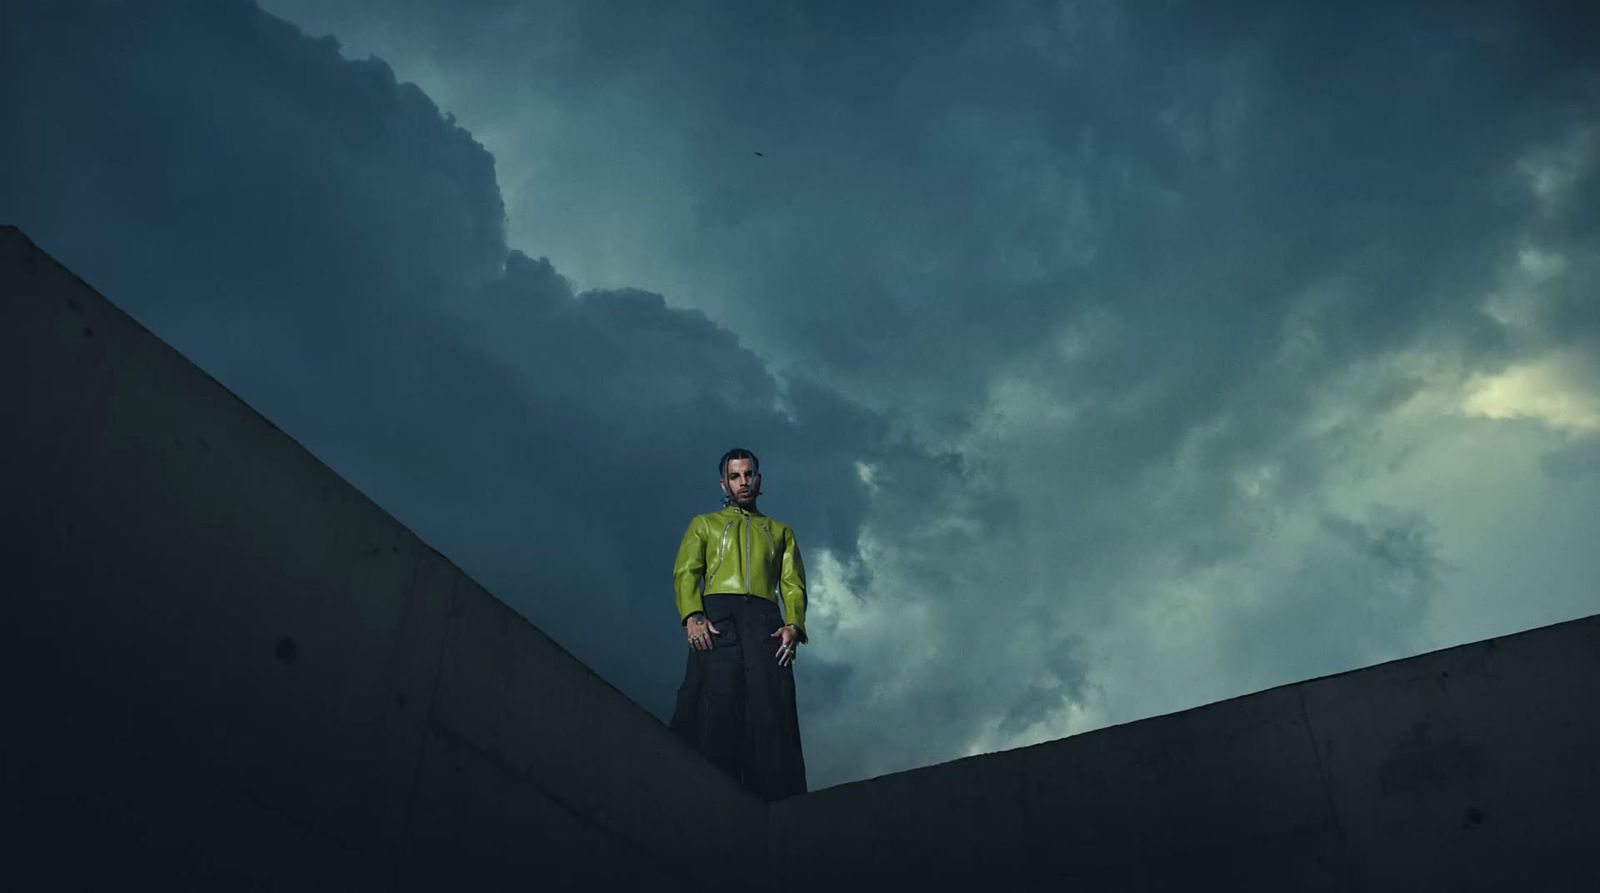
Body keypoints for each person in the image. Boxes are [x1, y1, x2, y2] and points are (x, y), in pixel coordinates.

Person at [668, 448, 808, 800]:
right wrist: (693, 615)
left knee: (770, 708)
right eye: (735, 476)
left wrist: (794, 625)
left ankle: (777, 803)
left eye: (748, 474)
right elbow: (686, 572)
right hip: (718, 619)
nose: (743, 482)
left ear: (758, 479)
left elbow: (792, 584)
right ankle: (703, 794)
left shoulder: (780, 532)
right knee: (716, 703)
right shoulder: (704, 524)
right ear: (724, 483)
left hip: (765, 623)